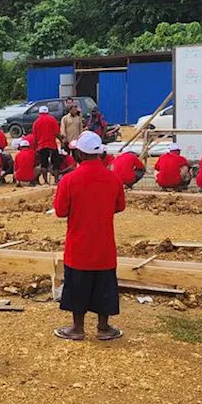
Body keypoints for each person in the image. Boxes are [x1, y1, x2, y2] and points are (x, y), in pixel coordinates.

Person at [53, 132, 126, 341]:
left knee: (77, 286)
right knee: (104, 285)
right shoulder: (112, 178)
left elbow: (60, 211)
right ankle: (103, 327)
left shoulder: (69, 180)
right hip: (104, 247)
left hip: (79, 246)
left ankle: (77, 328)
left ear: (79, 154)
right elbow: (120, 206)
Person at [31, 105, 61, 184]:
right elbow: (57, 133)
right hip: (52, 145)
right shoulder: (52, 120)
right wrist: (61, 141)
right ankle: (56, 180)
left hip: (41, 146)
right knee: (55, 163)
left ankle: (46, 181)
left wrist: (36, 147)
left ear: (39, 113)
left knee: (44, 164)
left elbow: (35, 137)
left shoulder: (36, 122)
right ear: (48, 112)